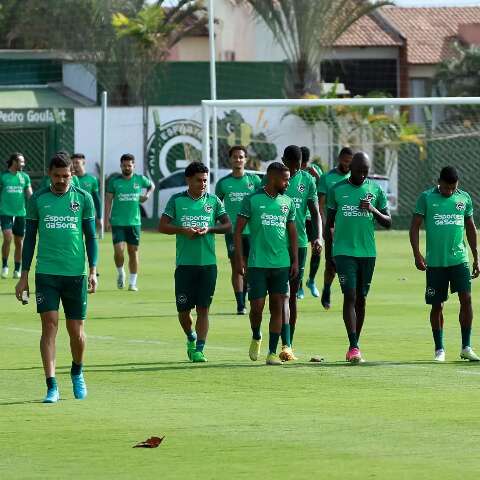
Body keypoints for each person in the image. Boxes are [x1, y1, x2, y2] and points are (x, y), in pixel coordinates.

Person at [15, 153, 98, 403]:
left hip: (76, 274)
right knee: (49, 326)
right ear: (49, 175)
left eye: (66, 176)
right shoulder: (38, 199)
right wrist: (24, 276)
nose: (62, 180)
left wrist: (93, 270)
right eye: (57, 176)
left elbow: (91, 237)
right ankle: (51, 386)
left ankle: (77, 371)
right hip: (47, 273)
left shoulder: (83, 198)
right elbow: (29, 239)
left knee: (76, 332)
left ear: (72, 174)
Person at [159, 162, 231, 362]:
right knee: (183, 312)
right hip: (185, 266)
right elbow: (162, 226)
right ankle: (190, 337)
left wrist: (210, 229)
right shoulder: (177, 200)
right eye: (199, 180)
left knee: (203, 309)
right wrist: (183, 230)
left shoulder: (214, 201)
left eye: (206, 180)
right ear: (188, 180)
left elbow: (227, 225)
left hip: (208, 265)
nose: (203, 184)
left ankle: (199, 348)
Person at [325, 152, 391, 363]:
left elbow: (388, 222)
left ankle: (355, 343)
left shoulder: (375, 190)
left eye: (366, 171)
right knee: (350, 296)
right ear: (350, 168)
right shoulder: (337, 190)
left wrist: (373, 210)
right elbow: (329, 225)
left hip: (368, 252)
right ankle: (353, 346)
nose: (362, 175)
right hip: (344, 251)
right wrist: (329, 256)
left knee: (361, 300)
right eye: (359, 170)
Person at [410, 166, 480, 362]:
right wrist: (417, 254)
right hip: (436, 262)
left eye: (453, 188)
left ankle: (466, 346)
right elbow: (414, 227)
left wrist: (476, 256)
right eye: (446, 187)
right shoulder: (426, 198)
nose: (449, 191)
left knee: (466, 299)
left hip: (459, 260)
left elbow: (471, 228)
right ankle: (439, 349)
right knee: (437, 305)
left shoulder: (463, 198)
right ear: (438, 181)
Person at [235, 162, 298, 366]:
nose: (288, 183)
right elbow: (237, 232)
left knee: (278, 306)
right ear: (273, 178)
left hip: (281, 263)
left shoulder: (288, 202)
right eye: (285, 179)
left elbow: (292, 233)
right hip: (257, 263)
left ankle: (272, 352)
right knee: (257, 307)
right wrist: (239, 259)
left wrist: (295, 260)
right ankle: (256, 335)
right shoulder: (252, 200)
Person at [279, 145, 321, 361]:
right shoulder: (274, 178)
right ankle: (268, 339)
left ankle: (288, 344)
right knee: (277, 296)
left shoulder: (308, 181)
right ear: (283, 160)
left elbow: (315, 212)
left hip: (300, 244)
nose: (294, 171)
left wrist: (318, 236)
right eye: (290, 166)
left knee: (291, 296)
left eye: (297, 167)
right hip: (275, 244)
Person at [215, 146, 261, 314]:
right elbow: (216, 207)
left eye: (241, 157)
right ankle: (240, 304)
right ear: (230, 159)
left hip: (252, 231)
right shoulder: (223, 183)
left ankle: (248, 295)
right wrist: (220, 224)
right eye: (235, 157)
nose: (238, 160)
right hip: (233, 232)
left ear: (246, 159)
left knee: (250, 267)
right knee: (236, 266)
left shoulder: (255, 181)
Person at [105, 153, 154, 291]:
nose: (127, 167)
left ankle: (133, 283)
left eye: (129, 165)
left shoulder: (140, 179)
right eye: (124, 165)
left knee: (133, 252)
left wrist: (147, 196)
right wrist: (106, 218)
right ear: (121, 166)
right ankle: (121, 273)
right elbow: (108, 200)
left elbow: (152, 186)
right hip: (118, 222)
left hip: (134, 223)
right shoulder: (114, 182)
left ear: (133, 165)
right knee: (119, 251)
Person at [318, 147, 353, 309]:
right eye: (345, 161)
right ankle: (326, 289)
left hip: (349, 230)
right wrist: (326, 226)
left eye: (350, 162)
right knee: (331, 265)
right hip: (331, 229)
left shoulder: (354, 178)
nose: (347, 165)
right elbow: (320, 206)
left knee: (348, 264)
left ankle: (350, 295)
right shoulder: (327, 178)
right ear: (339, 159)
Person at [0, 152, 33, 279]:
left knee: (19, 242)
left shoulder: (24, 177)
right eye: (21, 162)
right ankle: (4, 266)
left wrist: (35, 202)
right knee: (7, 238)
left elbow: (29, 193)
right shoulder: (3, 177)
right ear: (14, 162)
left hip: (20, 214)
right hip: (5, 213)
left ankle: (17, 269)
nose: (23, 164)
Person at [297, 146, 323, 299]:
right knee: (299, 250)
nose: (304, 166)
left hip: (312, 217)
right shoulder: (292, 172)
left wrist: (318, 177)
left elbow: (325, 191)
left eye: (305, 163)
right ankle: (299, 286)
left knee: (317, 248)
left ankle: (311, 280)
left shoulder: (315, 170)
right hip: (298, 218)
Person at [72, 153, 102, 229]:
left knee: (90, 238)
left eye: (77, 162)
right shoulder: (69, 179)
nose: (74, 165)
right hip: (72, 214)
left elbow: (96, 199)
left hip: (88, 214)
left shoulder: (92, 179)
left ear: (83, 162)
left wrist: (99, 217)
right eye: (73, 163)